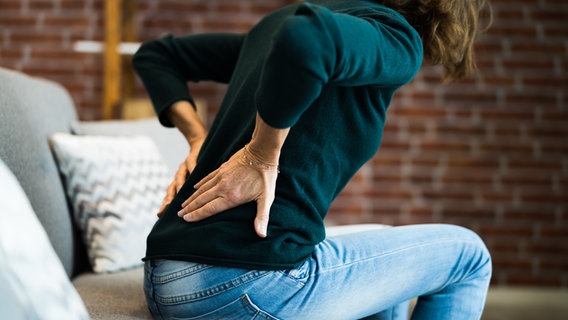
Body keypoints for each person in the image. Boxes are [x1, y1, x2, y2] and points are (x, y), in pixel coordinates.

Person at [132, 0, 492, 319]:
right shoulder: (395, 36)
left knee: (382, 253)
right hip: (241, 283)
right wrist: (261, 153)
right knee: (469, 256)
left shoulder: (278, 22)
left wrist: (198, 137)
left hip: (165, 276)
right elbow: (308, 37)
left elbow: (158, 55)